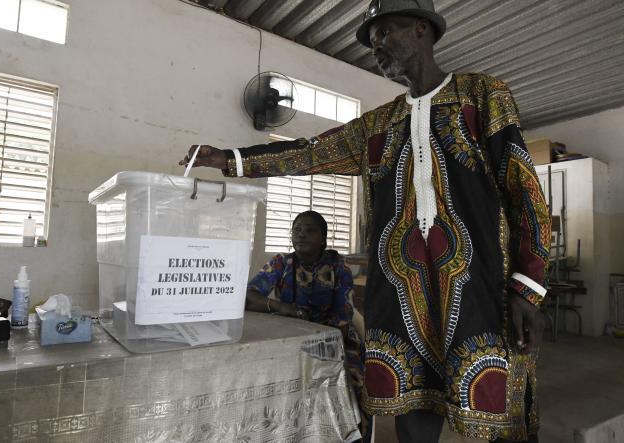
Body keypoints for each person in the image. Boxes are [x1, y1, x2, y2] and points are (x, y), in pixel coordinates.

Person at [180, 1, 550, 441]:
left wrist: (529, 286)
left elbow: (523, 188)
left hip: (478, 289)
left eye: (385, 32)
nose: (377, 46)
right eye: (372, 40)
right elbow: (310, 152)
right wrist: (231, 159)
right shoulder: (378, 126)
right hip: (398, 294)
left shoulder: (482, 95)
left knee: (494, 409)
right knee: (411, 402)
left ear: (421, 30)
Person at [245, 210, 370, 440]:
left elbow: (343, 316)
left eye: (309, 230)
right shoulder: (282, 263)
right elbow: (248, 297)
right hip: (290, 340)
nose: (301, 235)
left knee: (353, 380)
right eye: (297, 230)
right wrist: (282, 307)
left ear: (323, 238)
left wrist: (318, 348)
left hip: (335, 341)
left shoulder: (338, 266)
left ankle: (354, 434)